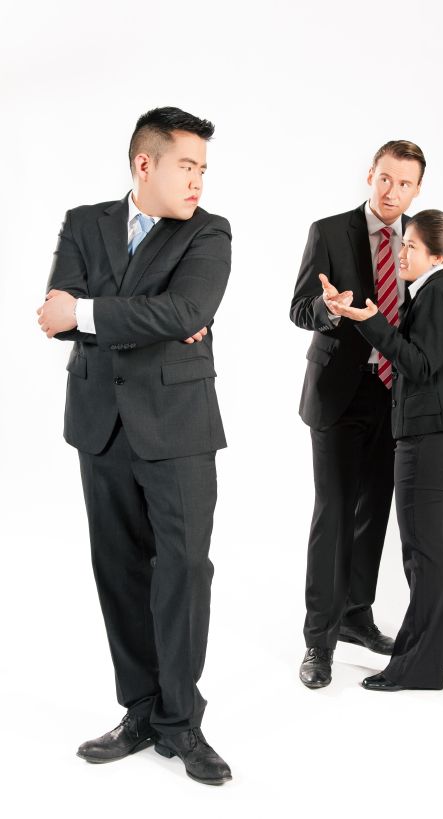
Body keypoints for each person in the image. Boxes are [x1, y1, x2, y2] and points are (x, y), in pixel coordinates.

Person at [36, 107, 233, 783]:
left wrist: (92, 310)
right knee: (119, 571)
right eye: (187, 165)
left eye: (203, 168)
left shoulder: (209, 233)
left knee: (183, 571)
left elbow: (187, 311)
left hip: (178, 427)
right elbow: (52, 315)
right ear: (143, 164)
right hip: (101, 423)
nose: (199, 180)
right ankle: (142, 710)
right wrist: (140, 315)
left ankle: (183, 721)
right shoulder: (84, 221)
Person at [324, 209, 443, 691]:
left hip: (427, 443)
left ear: (436, 254)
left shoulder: (434, 298)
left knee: (423, 551)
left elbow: (419, 364)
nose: (399, 252)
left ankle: (418, 666)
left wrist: (372, 322)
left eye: (409, 245)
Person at [290, 141, 426, 688]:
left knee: (375, 514)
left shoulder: (420, 238)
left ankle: (356, 617)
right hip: (338, 395)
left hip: (395, 394)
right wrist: (329, 308)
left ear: (418, 189)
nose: (393, 192)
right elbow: (299, 309)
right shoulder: (329, 231)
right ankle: (318, 642)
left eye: (405, 184)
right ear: (371, 175)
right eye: (385, 179)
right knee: (335, 513)